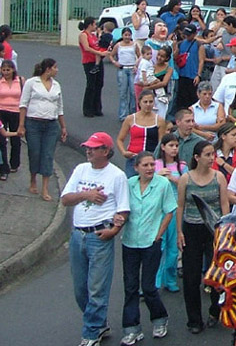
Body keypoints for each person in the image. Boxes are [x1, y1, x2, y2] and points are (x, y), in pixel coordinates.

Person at [61, 132, 130, 346]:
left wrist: (113, 231)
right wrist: (87, 196)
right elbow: (65, 199)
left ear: (106, 151)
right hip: (77, 235)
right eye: (88, 147)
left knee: (97, 288)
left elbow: (123, 210)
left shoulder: (117, 176)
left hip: (99, 236)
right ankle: (98, 322)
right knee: (80, 289)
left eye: (94, 148)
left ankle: (91, 334)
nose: (88, 151)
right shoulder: (81, 169)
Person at [119, 152, 176, 345]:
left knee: (149, 286)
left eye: (152, 164)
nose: (150, 168)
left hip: (151, 241)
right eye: (146, 165)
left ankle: (160, 319)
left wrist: (159, 234)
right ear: (136, 168)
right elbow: (121, 207)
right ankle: (132, 328)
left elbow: (169, 210)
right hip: (130, 241)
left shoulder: (162, 185)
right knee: (130, 286)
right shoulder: (129, 184)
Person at [176, 141, 228, 334]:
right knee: (191, 277)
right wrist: (179, 232)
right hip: (191, 229)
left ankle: (215, 311)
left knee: (216, 275)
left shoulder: (219, 177)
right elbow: (180, 206)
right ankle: (194, 320)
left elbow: (224, 205)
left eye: (213, 154)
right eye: (207, 155)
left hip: (213, 230)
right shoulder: (185, 179)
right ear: (197, 158)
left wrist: (225, 232)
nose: (211, 158)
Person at [18, 58, 68, 201]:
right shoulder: (32, 83)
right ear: (48, 69)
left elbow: (60, 108)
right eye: (55, 67)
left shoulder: (57, 85)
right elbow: (23, 104)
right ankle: (33, 178)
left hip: (51, 125)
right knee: (34, 152)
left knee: (48, 154)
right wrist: (21, 125)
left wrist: (63, 126)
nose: (57, 70)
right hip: (33, 123)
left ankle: (45, 187)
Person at [154, 134, 187, 293]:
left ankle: (170, 279)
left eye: (176, 146)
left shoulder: (182, 166)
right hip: (158, 209)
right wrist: (158, 176)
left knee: (174, 246)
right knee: (159, 245)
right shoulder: (155, 165)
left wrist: (172, 178)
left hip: (176, 208)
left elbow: (187, 185)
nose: (174, 149)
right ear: (163, 147)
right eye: (171, 145)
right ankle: (154, 281)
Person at [116, 90, 167, 178]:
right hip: (133, 157)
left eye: (151, 102)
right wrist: (124, 152)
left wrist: (159, 159)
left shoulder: (159, 120)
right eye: (145, 102)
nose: (148, 104)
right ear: (139, 102)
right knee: (131, 183)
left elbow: (161, 143)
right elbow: (120, 139)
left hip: (151, 159)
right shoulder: (130, 119)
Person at [0, 59, 23, 180]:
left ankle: (14, 164)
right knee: (1, 140)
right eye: (4, 70)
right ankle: (3, 168)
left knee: (16, 138)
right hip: (1, 111)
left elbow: (24, 97)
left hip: (16, 111)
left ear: (13, 70)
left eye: (8, 70)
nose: (6, 72)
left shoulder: (20, 81)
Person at [108, 27, 140, 122]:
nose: (127, 37)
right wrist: (115, 62)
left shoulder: (134, 45)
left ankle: (133, 113)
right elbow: (110, 55)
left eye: (129, 35)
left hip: (132, 69)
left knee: (133, 93)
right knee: (123, 93)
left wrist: (136, 64)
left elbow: (140, 55)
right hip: (122, 69)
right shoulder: (118, 45)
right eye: (125, 35)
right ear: (122, 36)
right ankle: (123, 115)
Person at [78, 16, 108, 117]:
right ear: (90, 25)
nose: (96, 26)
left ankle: (97, 108)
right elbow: (87, 48)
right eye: (94, 24)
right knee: (91, 85)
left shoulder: (94, 35)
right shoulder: (83, 35)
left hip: (97, 61)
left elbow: (98, 45)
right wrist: (99, 53)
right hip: (89, 62)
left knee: (99, 84)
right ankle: (88, 109)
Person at [173, 24, 205, 111]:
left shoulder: (199, 45)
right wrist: (175, 46)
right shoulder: (181, 44)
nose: (187, 36)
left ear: (194, 34)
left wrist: (198, 75)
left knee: (193, 98)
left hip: (193, 75)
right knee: (181, 98)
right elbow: (175, 57)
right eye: (185, 34)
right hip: (182, 74)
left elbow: (201, 60)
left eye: (189, 34)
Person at [146, 46, 173, 119]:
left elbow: (164, 83)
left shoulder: (169, 69)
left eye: (162, 56)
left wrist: (148, 88)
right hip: (150, 97)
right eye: (158, 55)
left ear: (167, 58)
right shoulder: (151, 66)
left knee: (160, 118)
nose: (159, 57)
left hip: (162, 98)